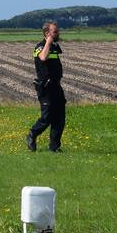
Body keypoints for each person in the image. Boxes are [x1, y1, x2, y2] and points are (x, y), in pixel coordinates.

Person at [26, 21, 66, 152]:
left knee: (59, 118)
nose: (58, 33)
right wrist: (48, 42)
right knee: (47, 117)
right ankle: (32, 134)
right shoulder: (40, 46)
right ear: (47, 33)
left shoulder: (54, 46)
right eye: (55, 32)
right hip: (45, 88)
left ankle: (54, 147)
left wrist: (51, 43)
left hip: (56, 87)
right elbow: (43, 57)